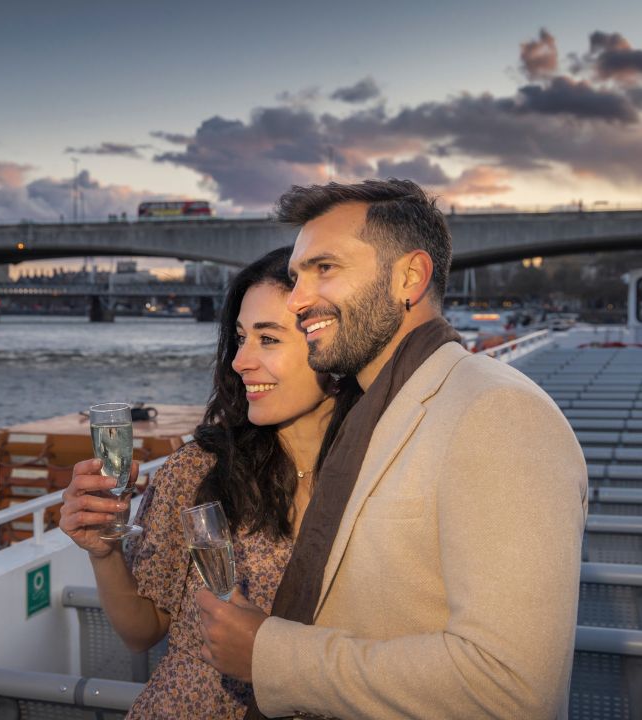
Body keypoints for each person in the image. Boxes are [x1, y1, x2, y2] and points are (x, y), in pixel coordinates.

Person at [196, 179, 588, 719]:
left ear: (410, 277)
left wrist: (272, 654)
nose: (298, 299)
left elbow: (513, 689)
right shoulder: (374, 410)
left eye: (324, 269)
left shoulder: (497, 412)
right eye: (295, 277)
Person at [59, 247, 359, 719]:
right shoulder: (198, 470)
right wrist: (103, 551)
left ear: (333, 348)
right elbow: (142, 631)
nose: (241, 361)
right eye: (241, 339)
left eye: (269, 339)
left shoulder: (382, 473)